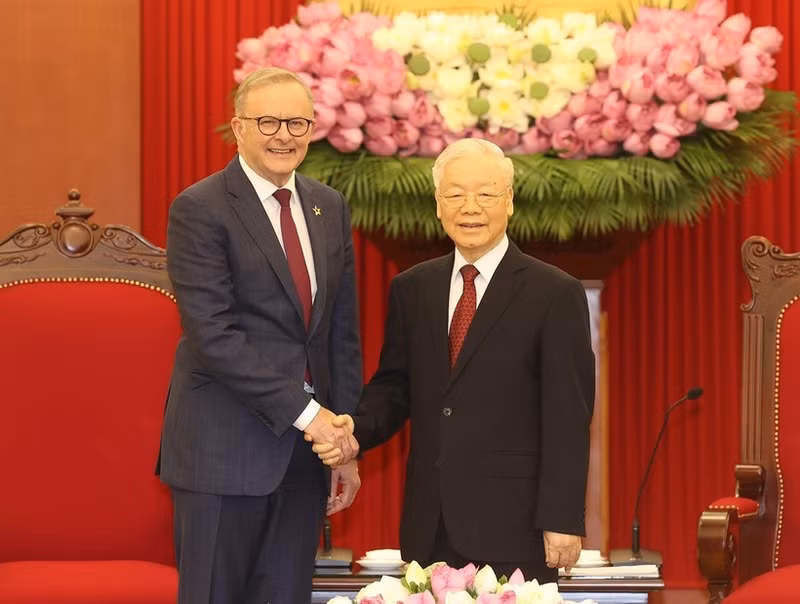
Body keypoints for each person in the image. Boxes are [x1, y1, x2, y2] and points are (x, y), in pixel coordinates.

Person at [314, 139, 595, 582]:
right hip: (431, 525)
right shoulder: (412, 288)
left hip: (516, 527)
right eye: (455, 195)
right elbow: (395, 387)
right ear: (438, 205)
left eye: (485, 194)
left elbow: (568, 415)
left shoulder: (554, 292)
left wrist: (562, 518)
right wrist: (355, 430)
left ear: (510, 202)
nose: (470, 207)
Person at [157, 67, 363, 604]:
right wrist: (310, 414)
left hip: (303, 459)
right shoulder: (200, 208)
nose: (284, 135)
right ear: (239, 128)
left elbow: (339, 333)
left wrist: (342, 445)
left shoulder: (329, 206)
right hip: (222, 455)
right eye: (267, 121)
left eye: (297, 122)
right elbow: (214, 335)